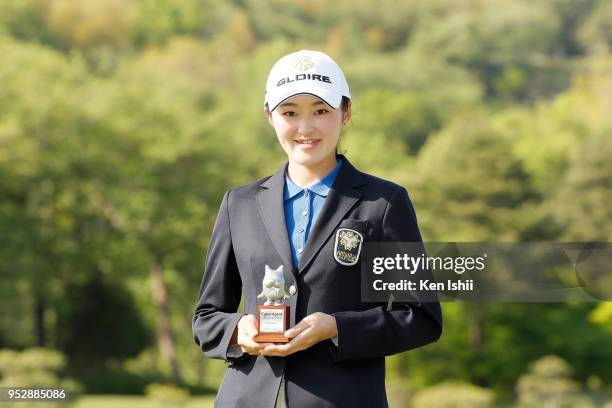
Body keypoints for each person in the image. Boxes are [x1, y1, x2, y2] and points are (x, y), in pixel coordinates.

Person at [192, 49, 442, 408]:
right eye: (290, 113)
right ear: (270, 116)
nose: (305, 128)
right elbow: (206, 318)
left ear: (346, 113)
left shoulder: (384, 203)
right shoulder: (239, 204)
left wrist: (337, 327)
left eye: (321, 111)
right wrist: (238, 330)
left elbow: (420, 317)